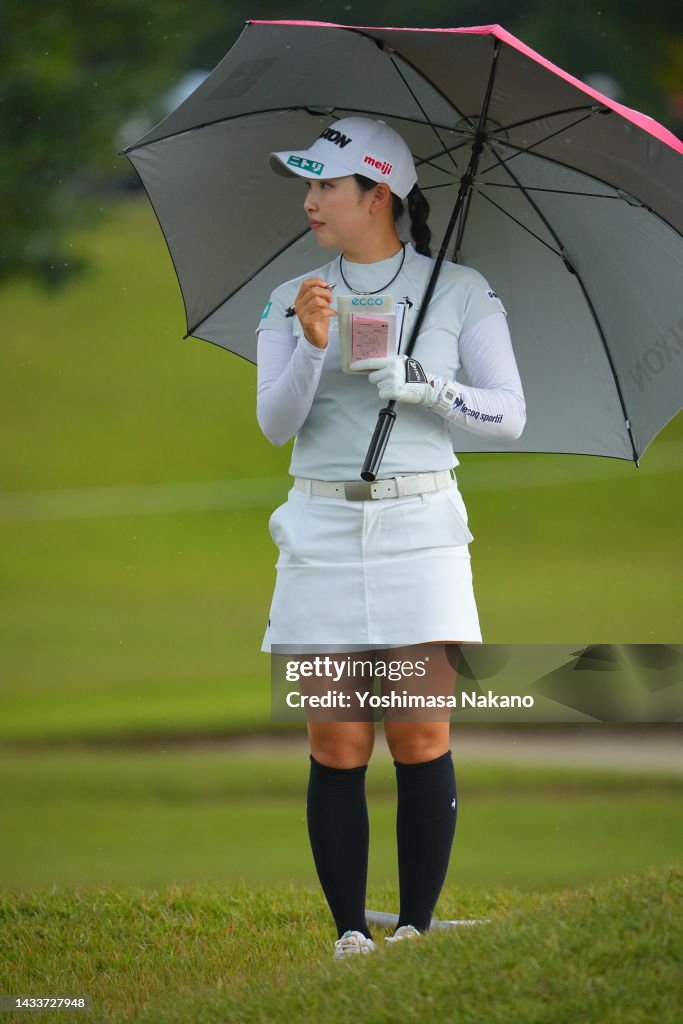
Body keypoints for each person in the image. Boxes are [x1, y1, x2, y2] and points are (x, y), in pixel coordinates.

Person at [255, 117, 526, 960]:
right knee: (335, 738)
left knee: (419, 732)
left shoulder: (460, 290)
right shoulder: (291, 294)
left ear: (379, 195)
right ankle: (348, 935)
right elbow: (274, 424)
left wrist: (424, 385)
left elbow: (508, 415)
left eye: (325, 187)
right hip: (320, 525)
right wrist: (308, 345)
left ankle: (412, 928)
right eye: (306, 187)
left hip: (421, 529)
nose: (309, 202)